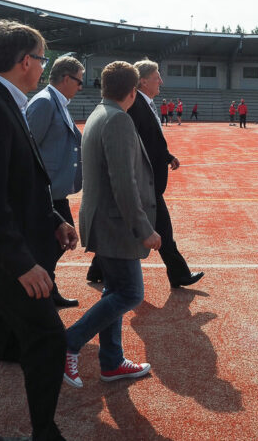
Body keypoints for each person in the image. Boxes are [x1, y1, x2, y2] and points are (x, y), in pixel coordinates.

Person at [0, 20, 77, 441]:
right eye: (41, 59)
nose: (43, 66)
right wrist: (22, 264)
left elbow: (20, 183)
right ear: (25, 61)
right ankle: (44, 432)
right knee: (47, 338)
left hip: (3, 254)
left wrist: (53, 220)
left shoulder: (6, 101)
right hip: (5, 259)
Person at [63, 61, 160, 389]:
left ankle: (111, 361)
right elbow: (124, 183)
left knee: (115, 291)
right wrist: (144, 228)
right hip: (116, 225)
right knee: (131, 293)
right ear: (133, 91)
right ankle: (70, 341)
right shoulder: (118, 120)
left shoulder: (97, 114)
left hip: (101, 220)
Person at [85, 59, 205, 289]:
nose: (161, 80)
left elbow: (148, 140)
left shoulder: (144, 103)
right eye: (156, 76)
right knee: (163, 230)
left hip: (147, 181)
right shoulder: (135, 105)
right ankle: (178, 273)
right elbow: (131, 142)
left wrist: (167, 155)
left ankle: (97, 268)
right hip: (143, 183)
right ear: (142, 81)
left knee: (155, 227)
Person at [26, 55, 87, 308]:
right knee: (58, 240)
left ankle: (47, 289)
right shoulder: (44, 103)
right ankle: (38, 290)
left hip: (54, 189)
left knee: (60, 239)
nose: (80, 87)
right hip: (45, 190)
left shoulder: (57, 101)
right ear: (65, 78)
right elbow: (27, 149)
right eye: (78, 81)